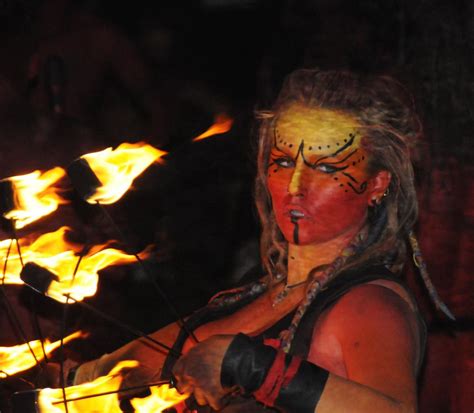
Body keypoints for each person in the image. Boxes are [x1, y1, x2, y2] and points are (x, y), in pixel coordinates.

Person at [70, 69, 431, 412]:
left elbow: (396, 409)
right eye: (285, 162)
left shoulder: (369, 304)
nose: (295, 188)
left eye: (326, 168)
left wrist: (250, 365)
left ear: (377, 185)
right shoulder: (255, 294)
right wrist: (67, 380)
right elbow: (126, 365)